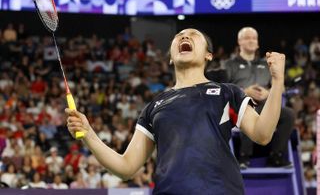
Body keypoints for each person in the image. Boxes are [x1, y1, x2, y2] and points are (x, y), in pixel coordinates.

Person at [66, 28, 286, 194]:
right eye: (179, 35)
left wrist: (277, 81)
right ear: (171, 57)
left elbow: (263, 133)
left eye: (193, 35)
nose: (184, 37)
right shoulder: (154, 106)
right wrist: (88, 134)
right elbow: (126, 167)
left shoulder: (226, 93)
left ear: (208, 55)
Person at [223, 27, 295, 169]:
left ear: (258, 43)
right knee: (248, 109)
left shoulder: (266, 63)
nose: (251, 41)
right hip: (238, 106)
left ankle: (276, 156)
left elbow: (282, 87)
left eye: (254, 38)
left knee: (288, 114)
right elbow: (223, 88)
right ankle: (244, 156)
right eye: (247, 38)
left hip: (265, 105)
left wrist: (268, 93)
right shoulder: (229, 64)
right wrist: (244, 91)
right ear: (239, 42)